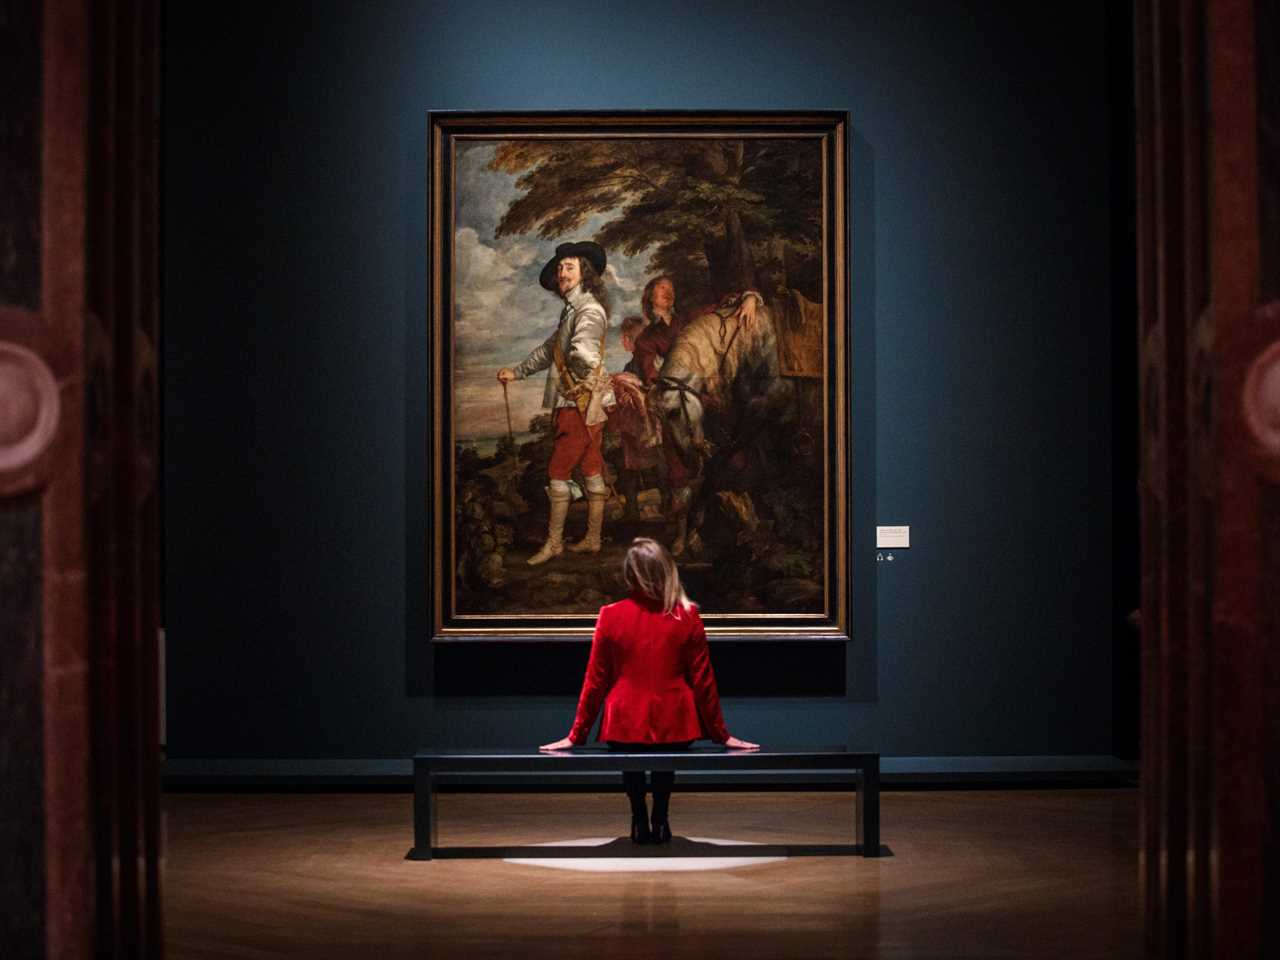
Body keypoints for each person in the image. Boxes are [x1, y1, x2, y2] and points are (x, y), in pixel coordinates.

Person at [540, 538, 759, 844]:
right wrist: (722, 734)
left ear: (630, 574)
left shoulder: (610, 615)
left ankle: (638, 818)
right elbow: (703, 681)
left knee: (631, 764)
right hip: (675, 716)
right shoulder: (687, 615)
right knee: (664, 765)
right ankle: (661, 817)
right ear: (667, 570)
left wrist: (576, 735)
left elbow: (595, 680)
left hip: (624, 716)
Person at [498, 241, 614, 564]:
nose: (562, 273)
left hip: (579, 404)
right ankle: (592, 540)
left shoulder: (588, 310)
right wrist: (517, 372)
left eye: (569, 267)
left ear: (585, 273)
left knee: (558, 471)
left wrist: (578, 368)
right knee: (591, 468)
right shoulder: (571, 311)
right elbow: (550, 351)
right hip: (585, 402)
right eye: (560, 268)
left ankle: (554, 543)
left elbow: (584, 354)